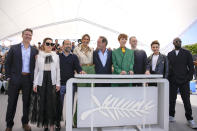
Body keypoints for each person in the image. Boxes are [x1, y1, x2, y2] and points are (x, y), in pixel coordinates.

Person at [5, 28, 38, 131]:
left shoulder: (34, 50)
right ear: (22, 35)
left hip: (28, 79)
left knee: (27, 103)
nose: (28, 36)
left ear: (31, 37)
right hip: (15, 78)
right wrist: (8, 76)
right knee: (12, 103)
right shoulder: (14, 48)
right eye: (26, 34)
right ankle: (9, 125)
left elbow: (38, 65)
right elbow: (7, 63)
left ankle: (25, 123)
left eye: (30, 35)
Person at [29, 37, 61, 131]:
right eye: (47, 43)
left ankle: (51, 126)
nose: (49, 46)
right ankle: (45, 125)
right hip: (41, 81)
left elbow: (58, 69)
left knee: (52, 104)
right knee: (42, 103)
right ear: (43, 44)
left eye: (51, 44)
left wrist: (58, 83)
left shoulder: (56, 56)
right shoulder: (39, 56)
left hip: (52, 80)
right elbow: (36, 70)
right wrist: (35, 84)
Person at [168, 37, 197, 128]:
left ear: (181, 43)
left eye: (179, 41)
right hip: (173, 81)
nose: (177, 42)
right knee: (172, 100)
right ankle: (171, 116)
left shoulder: (187, 53)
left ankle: (190, 119)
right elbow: (168, 67)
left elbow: (191, 67)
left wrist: (188, 78)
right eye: (176, 41)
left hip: (184, 81)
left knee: (186, 100)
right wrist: (169, 78)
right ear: (173, 43)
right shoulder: (170, 54)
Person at [57, 39, 85, 130]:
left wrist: (81, 71)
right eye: (66, 44)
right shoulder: (57, 57)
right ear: (62, 46)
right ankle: (57, 122)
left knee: (70, 105)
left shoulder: (74, 57)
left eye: (69, 44)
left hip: (70, 85)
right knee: (58, 105)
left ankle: (68, 122)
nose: (68, 45)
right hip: (60, 85)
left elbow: (78, 68)